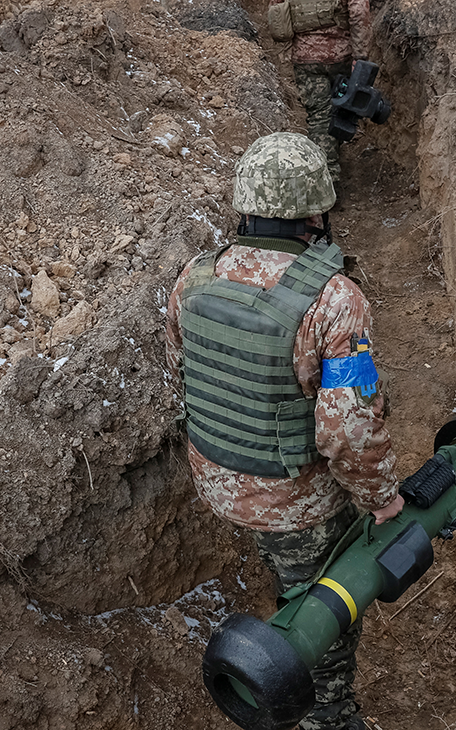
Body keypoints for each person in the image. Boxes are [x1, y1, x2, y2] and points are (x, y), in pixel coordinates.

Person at [165, 131, 402, 730]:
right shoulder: (334, 300)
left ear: (244, 202)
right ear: (317, 208)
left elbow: (184, 368)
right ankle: (328, 713)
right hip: (295, 503)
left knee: (284, 560)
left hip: (214, 476)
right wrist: (382, 500)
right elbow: (347, 429)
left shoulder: (194, 278)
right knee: (326, 613)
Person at [268, 0, 372, 185]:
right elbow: (359, 11)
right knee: (340, 108)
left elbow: (277, 10)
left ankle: (324, 175)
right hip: (341, 56)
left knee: (319, 117)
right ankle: (328, 180)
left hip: (305, 57)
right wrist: (361, 55)